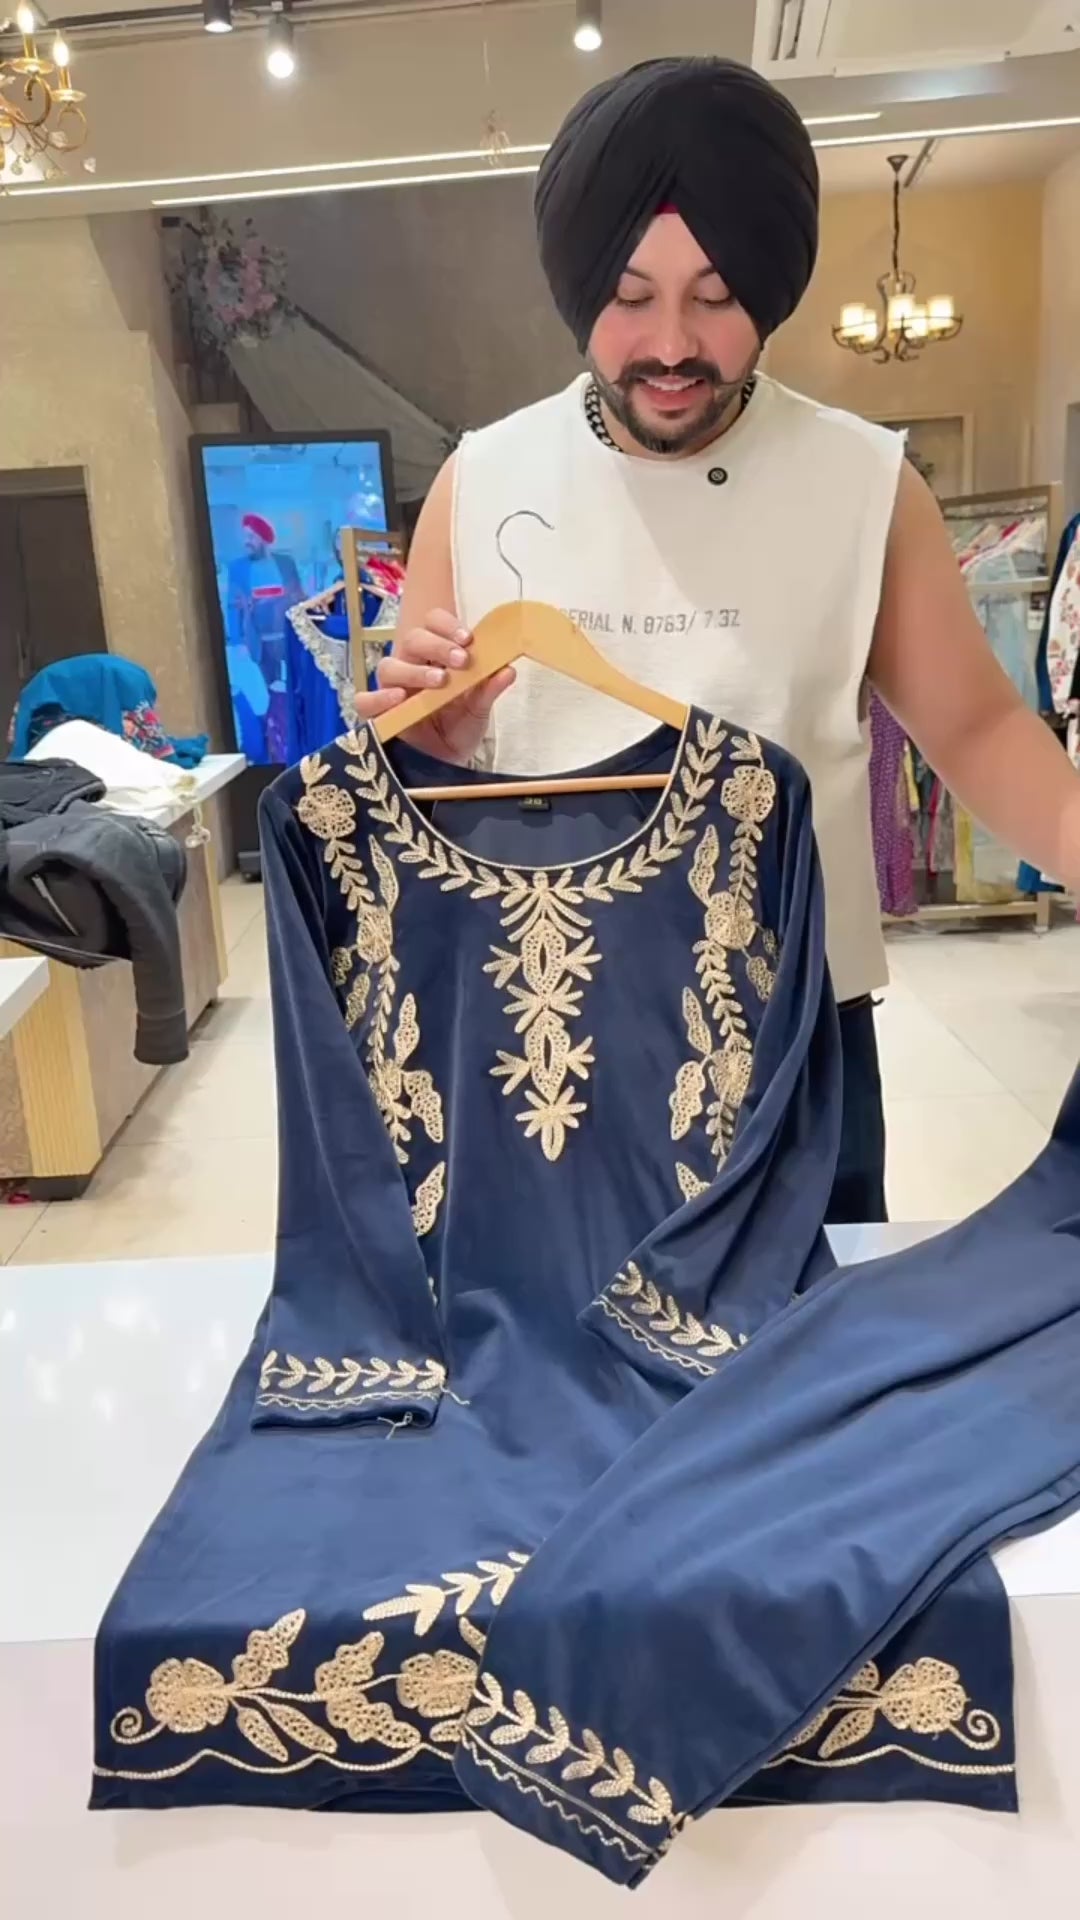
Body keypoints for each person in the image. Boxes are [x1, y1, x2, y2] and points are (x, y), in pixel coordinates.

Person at [354, 55, 1080, 1224]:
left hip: (801, 1029)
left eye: (717, 295)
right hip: (549, 1034)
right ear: (578, 284)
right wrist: (424, 745)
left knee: (812, 1326)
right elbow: (410, 794)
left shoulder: (863, 484)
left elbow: (981, 727)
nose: (671, 344)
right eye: (629, 294)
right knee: (562, 1331)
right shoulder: (481, 482)